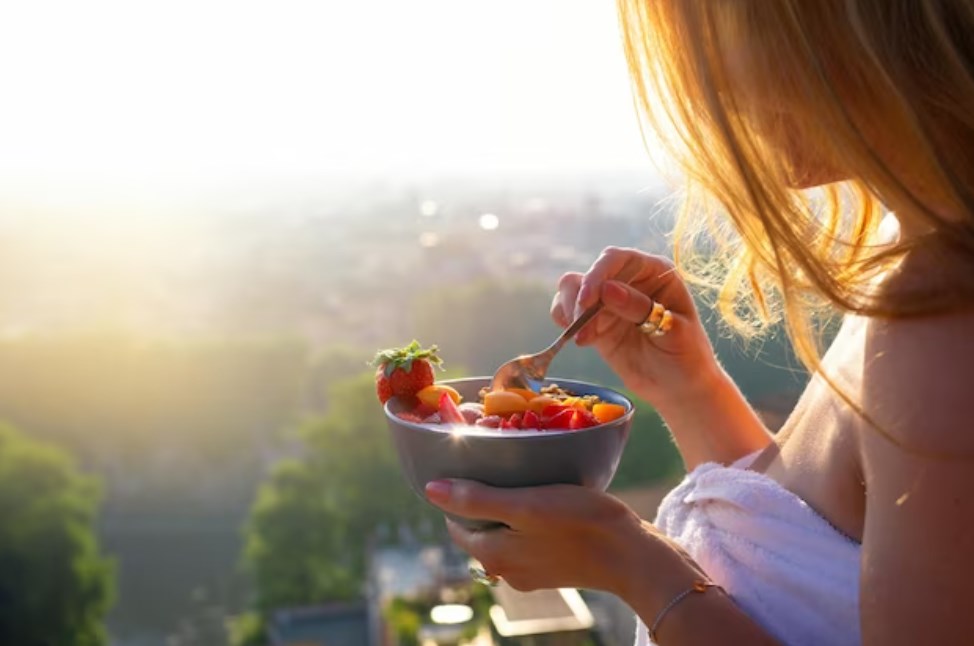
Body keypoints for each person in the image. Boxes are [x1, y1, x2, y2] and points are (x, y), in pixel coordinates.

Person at [425, 1, 974, 644]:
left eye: (714, 31)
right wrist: (691, 391)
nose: (714, 91)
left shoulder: (943, 321)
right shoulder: (919, 256)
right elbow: (809, 546)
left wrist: (628, 561)